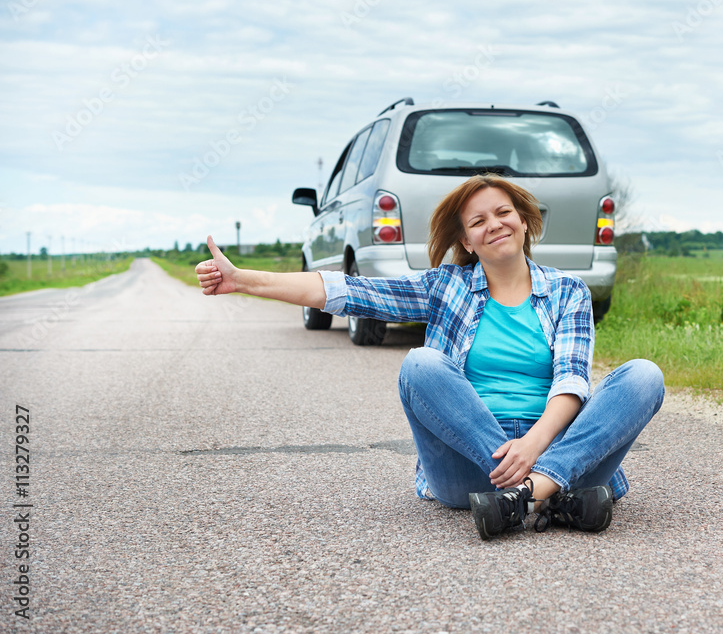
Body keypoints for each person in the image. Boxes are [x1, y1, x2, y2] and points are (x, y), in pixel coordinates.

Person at [195, 174, 664, 540]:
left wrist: (535, 448)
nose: (493, 224)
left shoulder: (568, 292)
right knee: (420, 364)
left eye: (503, 212)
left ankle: (527, 496)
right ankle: (550, 498)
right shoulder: (445, 288)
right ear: (466, 241)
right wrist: (244, 280)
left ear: (524, 220)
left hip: (556, 449)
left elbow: (571, 382)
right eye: (478, 221)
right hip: (472, 463)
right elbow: (345, 291)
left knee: (643, 376)